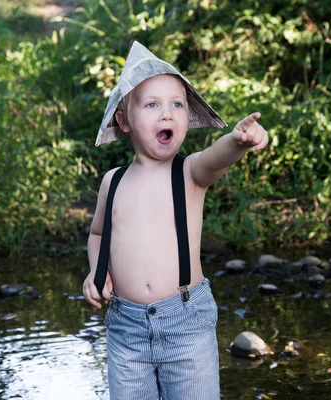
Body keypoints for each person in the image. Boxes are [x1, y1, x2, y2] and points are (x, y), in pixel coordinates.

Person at [82, 41, 268, 400]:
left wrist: (238, 141)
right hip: (126, 329)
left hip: (186, 324)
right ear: (124, 120)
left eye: (177, 104)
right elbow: (98, 233)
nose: (167, 114)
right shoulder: (113, 181)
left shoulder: (188, 173)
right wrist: (96, 270)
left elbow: (215, 157)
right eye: (152, 104)